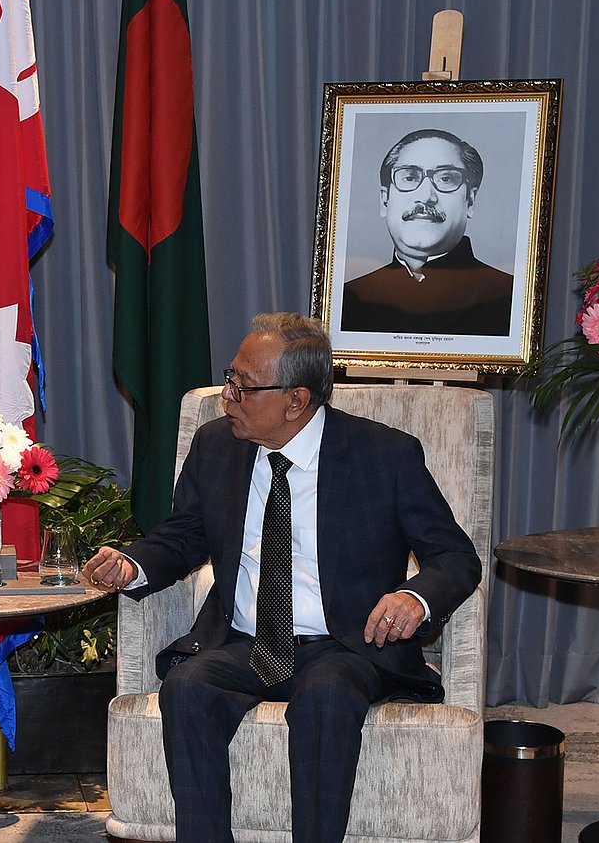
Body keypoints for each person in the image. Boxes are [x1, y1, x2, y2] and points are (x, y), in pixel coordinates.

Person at [82, 312, 480, 843]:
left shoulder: (384, 455)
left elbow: (455, 556)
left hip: (346, 644)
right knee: (187, 687)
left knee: (325, 697)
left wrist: (415, 597)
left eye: (243, 387)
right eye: (230, 378)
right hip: (246, 641)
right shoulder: (217, 445)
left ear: (296, 400)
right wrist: (132, 564)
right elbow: (183, 535)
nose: (228, 398)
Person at [340, 128, 513, 335]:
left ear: (470, 201)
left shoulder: (510, 299)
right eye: (409, 177)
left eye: (446, 178)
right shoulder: (348, 302)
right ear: (385, 201)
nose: (425, 196)